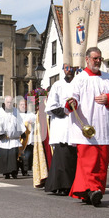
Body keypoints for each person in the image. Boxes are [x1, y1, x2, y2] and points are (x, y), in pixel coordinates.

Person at [65, 47, 109, 207]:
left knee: (102, 163)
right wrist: (71, 103)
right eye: (95, 58)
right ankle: (93, 190)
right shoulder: (80, 79)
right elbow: (72, 98)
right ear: (87, 59)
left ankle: (89, 192)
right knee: (89, 163)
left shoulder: (108, 78)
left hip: (105, 127)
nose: (98, 61)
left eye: (100, 58)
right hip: (86, 129)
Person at [44, 64, 77, 196]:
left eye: (71, 68)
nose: (69, 70)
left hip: (76, 126)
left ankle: (73, 184)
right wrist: (67, 111)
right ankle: (62, 185)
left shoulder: (80, 83)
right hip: (63, 126)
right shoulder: (57, 85)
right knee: (62, 158)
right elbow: (51, 106)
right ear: (63, 70)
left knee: (73, 157)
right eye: (66, 68)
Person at [0, 95, 26, 179]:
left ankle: (14, 172)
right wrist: (0, 134)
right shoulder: (0, 112)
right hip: (4, 139)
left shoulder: (15, 111)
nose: (9, 104)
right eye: (8, 102)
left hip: (14, 139)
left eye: (11, 102)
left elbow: (19, 122)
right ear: (4, 103)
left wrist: (22, 132)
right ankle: (6, 173)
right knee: (4, 157)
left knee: (13, 156)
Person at [18, 98, 35, 176]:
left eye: (24, 105)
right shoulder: (16, 115)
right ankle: (18, 169)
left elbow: (36, 122)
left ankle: (25, 170)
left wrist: (32, 123)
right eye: (21, 105)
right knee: (19, 155)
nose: (23, 106)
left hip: (28, 139)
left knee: (26, 155)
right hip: (19, 138)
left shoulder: (31, 115)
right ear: (18, 106)